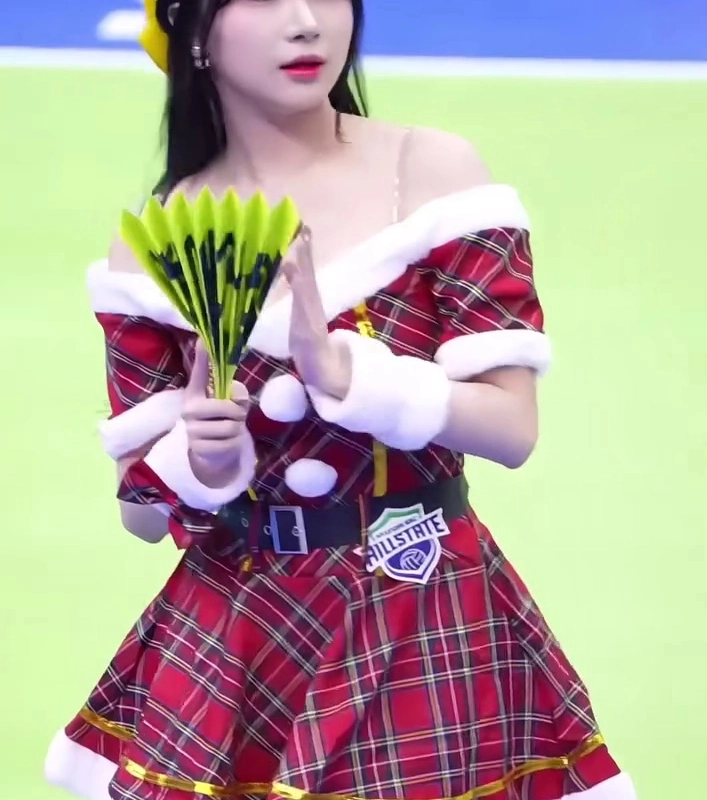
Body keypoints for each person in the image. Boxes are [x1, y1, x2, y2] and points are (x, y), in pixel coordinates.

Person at [44, 1, 636, 798]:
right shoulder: (161, 235)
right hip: (241, 620)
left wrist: (352, 378)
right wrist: (201, 457)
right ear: (191, 28)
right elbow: (141, 514)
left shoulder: (433, 172)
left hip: (419, 601)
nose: (305, 22)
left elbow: (512, 427)